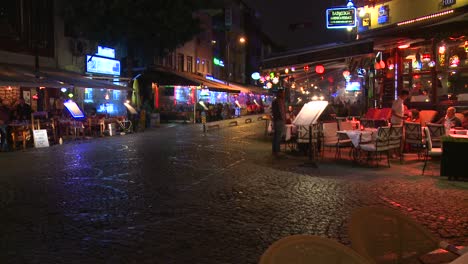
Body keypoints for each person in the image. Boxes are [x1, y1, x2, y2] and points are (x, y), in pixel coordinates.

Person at [271, 90, 286, 157]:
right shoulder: (277, 102)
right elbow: (277, 112)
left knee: (276, 136)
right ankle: (277, 151)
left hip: (278, 120)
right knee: (277, 136)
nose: (283, 95)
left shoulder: (278, 101)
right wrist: (280, 119)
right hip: (278, 120)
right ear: (280, 94)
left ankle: (275, 150)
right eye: (282, 93)